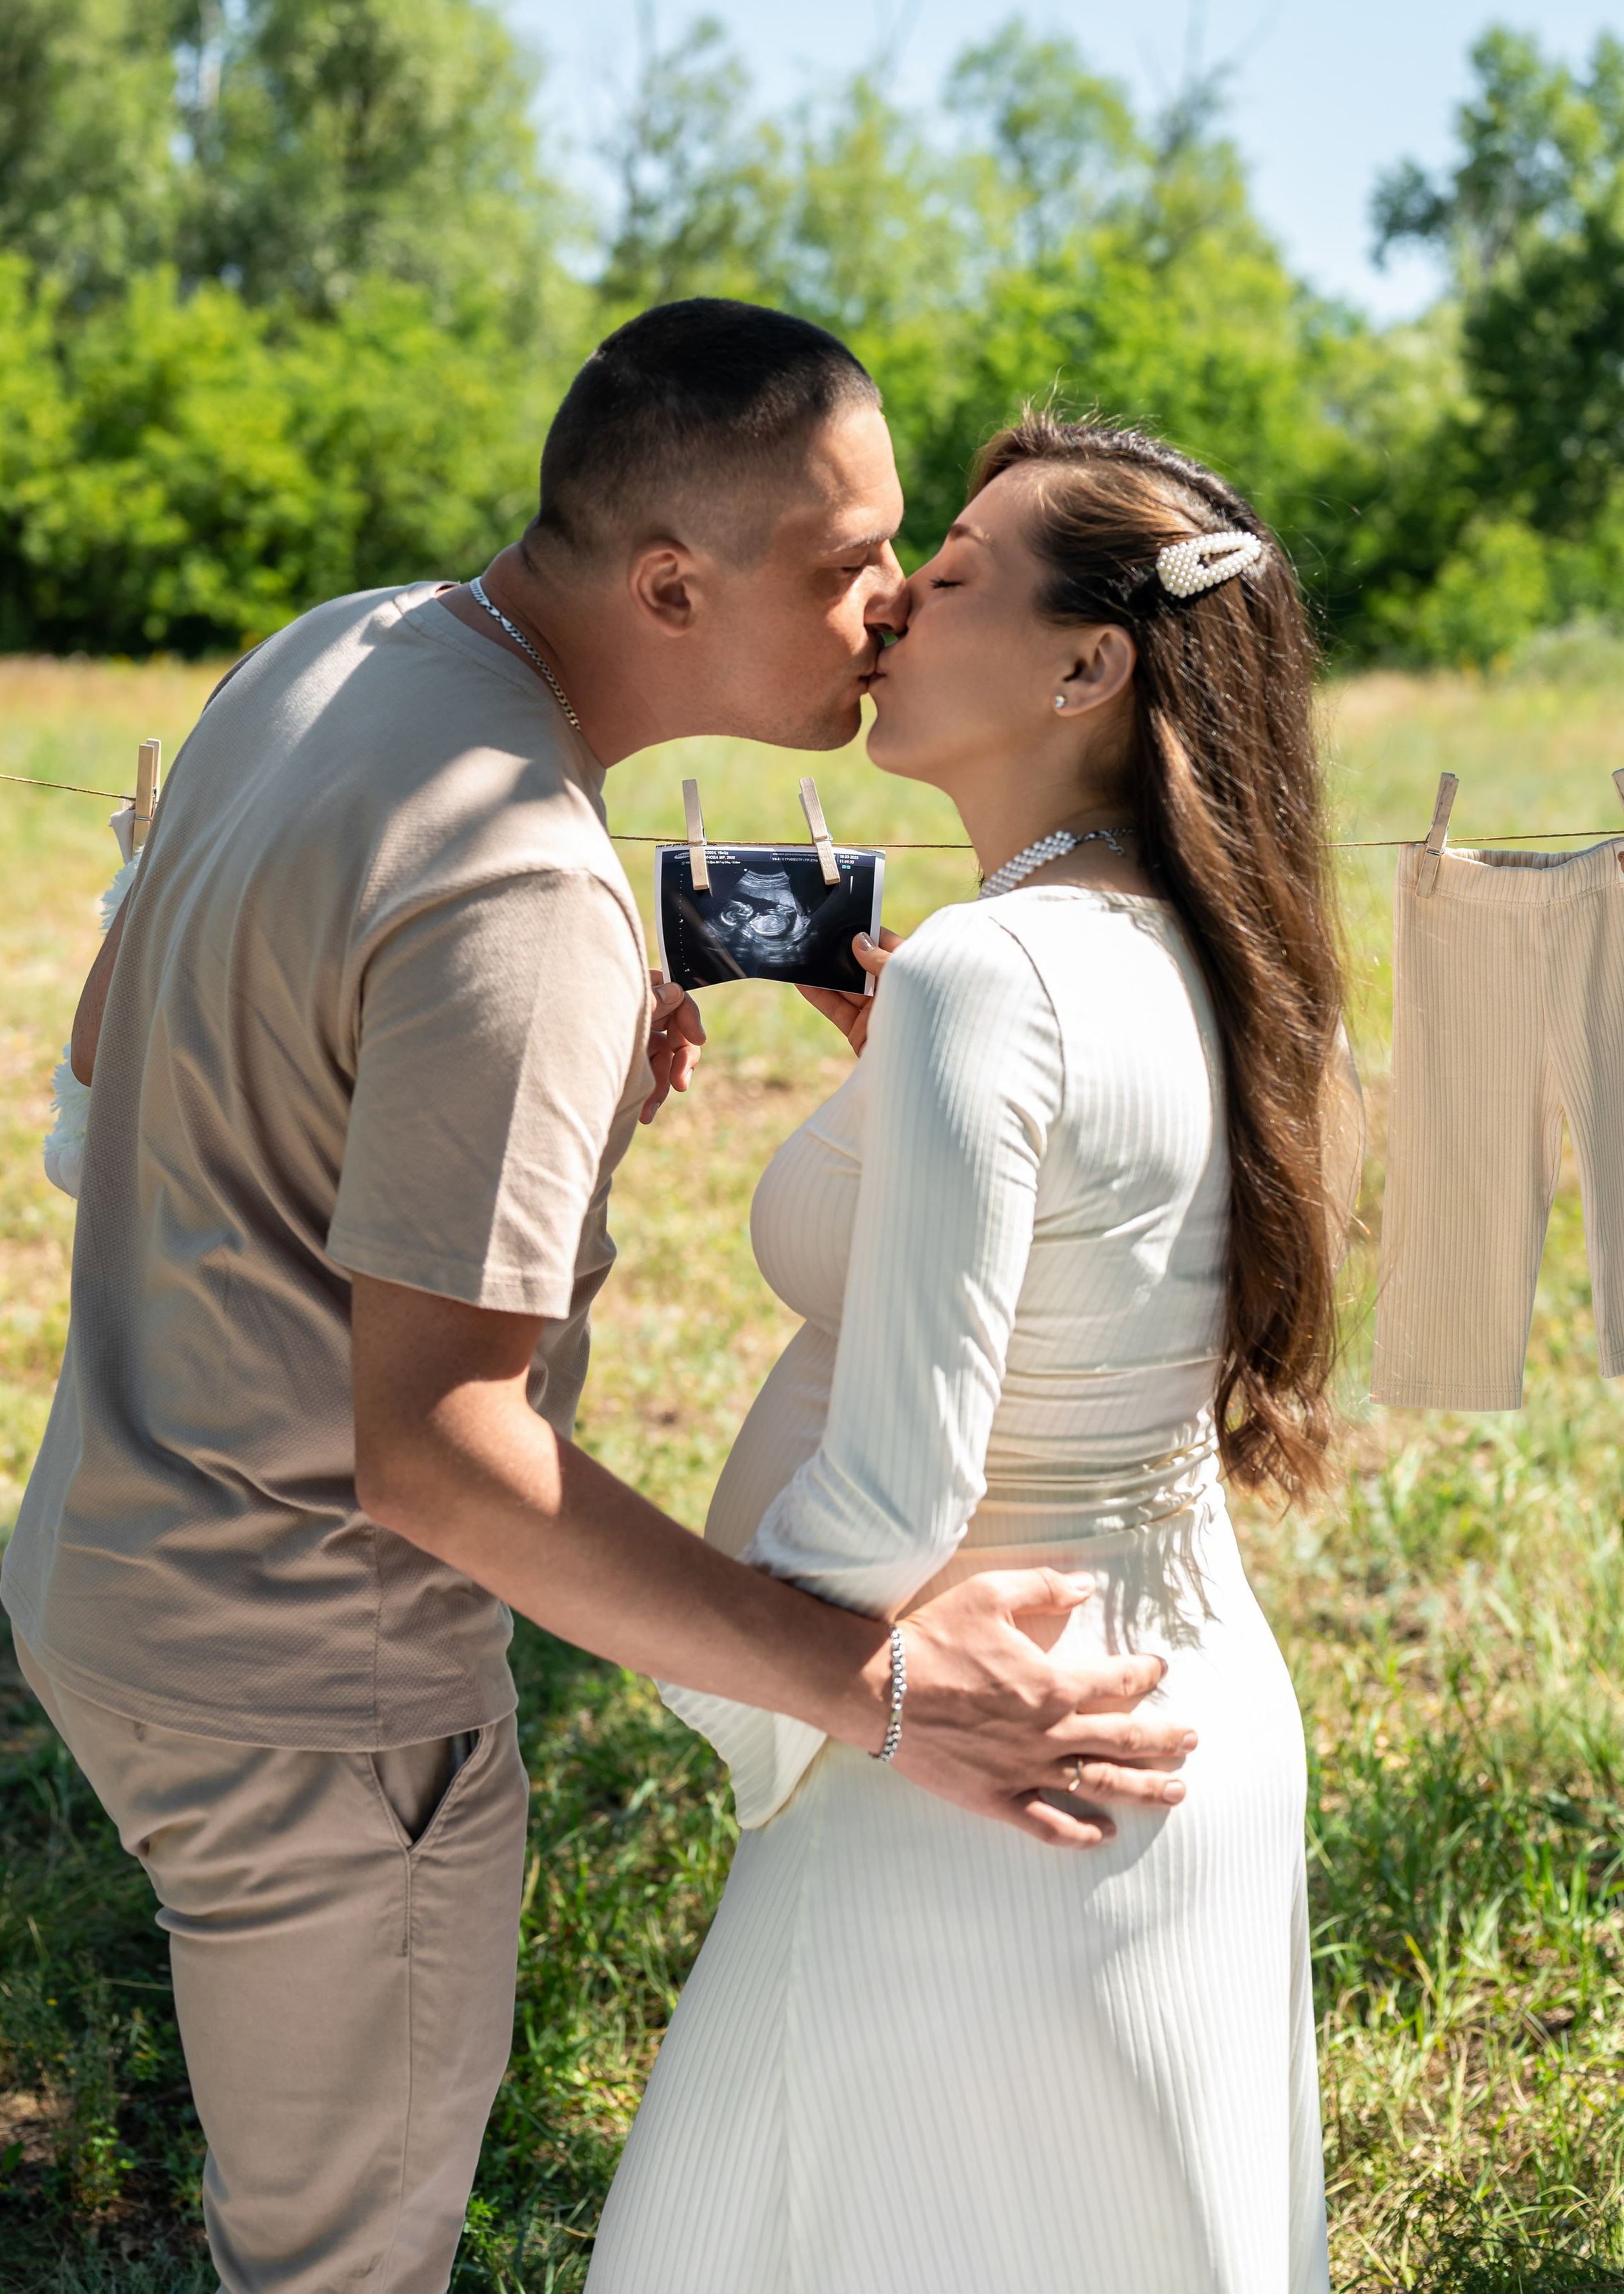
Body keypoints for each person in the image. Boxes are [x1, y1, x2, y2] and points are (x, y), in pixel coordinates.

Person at [0, 309, 1197, 2294]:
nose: (892, 604)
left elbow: (114, 1056)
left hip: (106, 1574)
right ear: (670, 583)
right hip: (311, 1691)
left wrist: (506, 1112)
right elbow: (441, 1458)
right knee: (336, 2265)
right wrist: (874, 1686)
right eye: (851, 562)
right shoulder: (529, 890)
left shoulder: (339, 649)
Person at [587, 411, 1354, 2294]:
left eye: (939, 582)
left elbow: (897, 1485)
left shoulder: (986, 977)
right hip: (1186, 1722)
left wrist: (737, 1692)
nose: (884, 614)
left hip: (974, 1762)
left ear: (1089, 662)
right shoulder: (1198, 944)